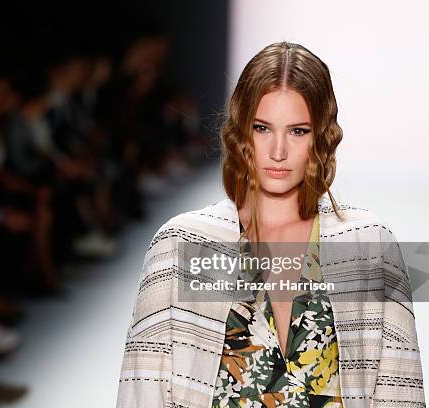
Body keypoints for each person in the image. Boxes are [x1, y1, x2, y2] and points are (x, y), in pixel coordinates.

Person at [115, 41, 425, 408]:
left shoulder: (369, 246)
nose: (278, 151)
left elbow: (398, 390)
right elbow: (144, 390)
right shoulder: (184, 245)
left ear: (321, 135)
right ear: (241, 131)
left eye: (298, 131)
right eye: (262, 128)